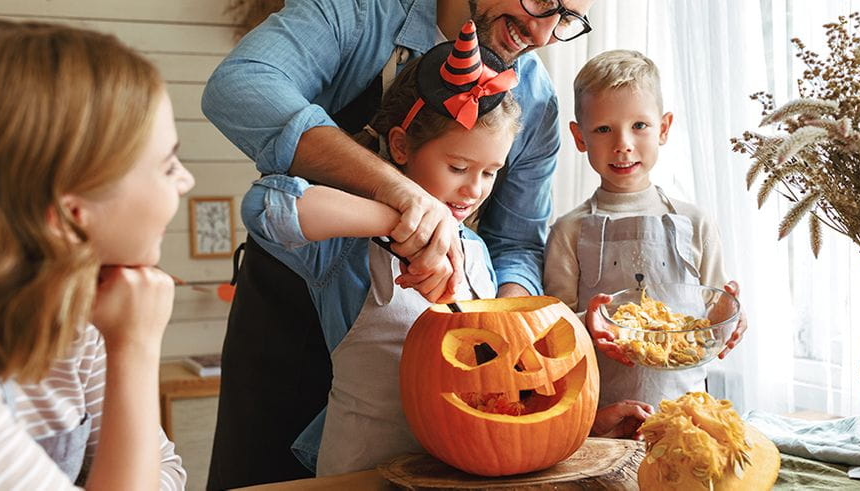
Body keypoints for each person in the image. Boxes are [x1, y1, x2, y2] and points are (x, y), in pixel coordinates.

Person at [201, 1, 595, 487]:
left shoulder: (534, 95)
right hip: (288, 316)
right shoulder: (360, 13)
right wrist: (402, 199)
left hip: (441, 376)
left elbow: (515, 243)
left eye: (568, 19)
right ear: (402, 142)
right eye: (540, 0)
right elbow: (238, 88)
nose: (542, 31)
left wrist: (507, 342)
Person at [240, 22, 520, 475]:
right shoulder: (349, 251)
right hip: (358, 474)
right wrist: (400, 219)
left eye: (490, 173)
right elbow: (265, 207)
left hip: (451, 473)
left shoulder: (478, 255)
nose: (473, 189)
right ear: (401, 146)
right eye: (459, 167)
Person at [0, 20, 194, 489]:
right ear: (70, 216)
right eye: (168, 164)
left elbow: (167, 475)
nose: (185, 181)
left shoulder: (82, 317)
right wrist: (135, 347)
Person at [544, 50, 748, 409]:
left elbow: (716, 311)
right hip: (601, 420)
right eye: (603, 129)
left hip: (687, 412)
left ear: (664, 128)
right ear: (580, 138)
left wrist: (732, 317)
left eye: (639, 126)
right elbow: (555, 334)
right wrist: (588, 322)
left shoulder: (696, 222)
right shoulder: (568, 231)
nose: (623, 143)